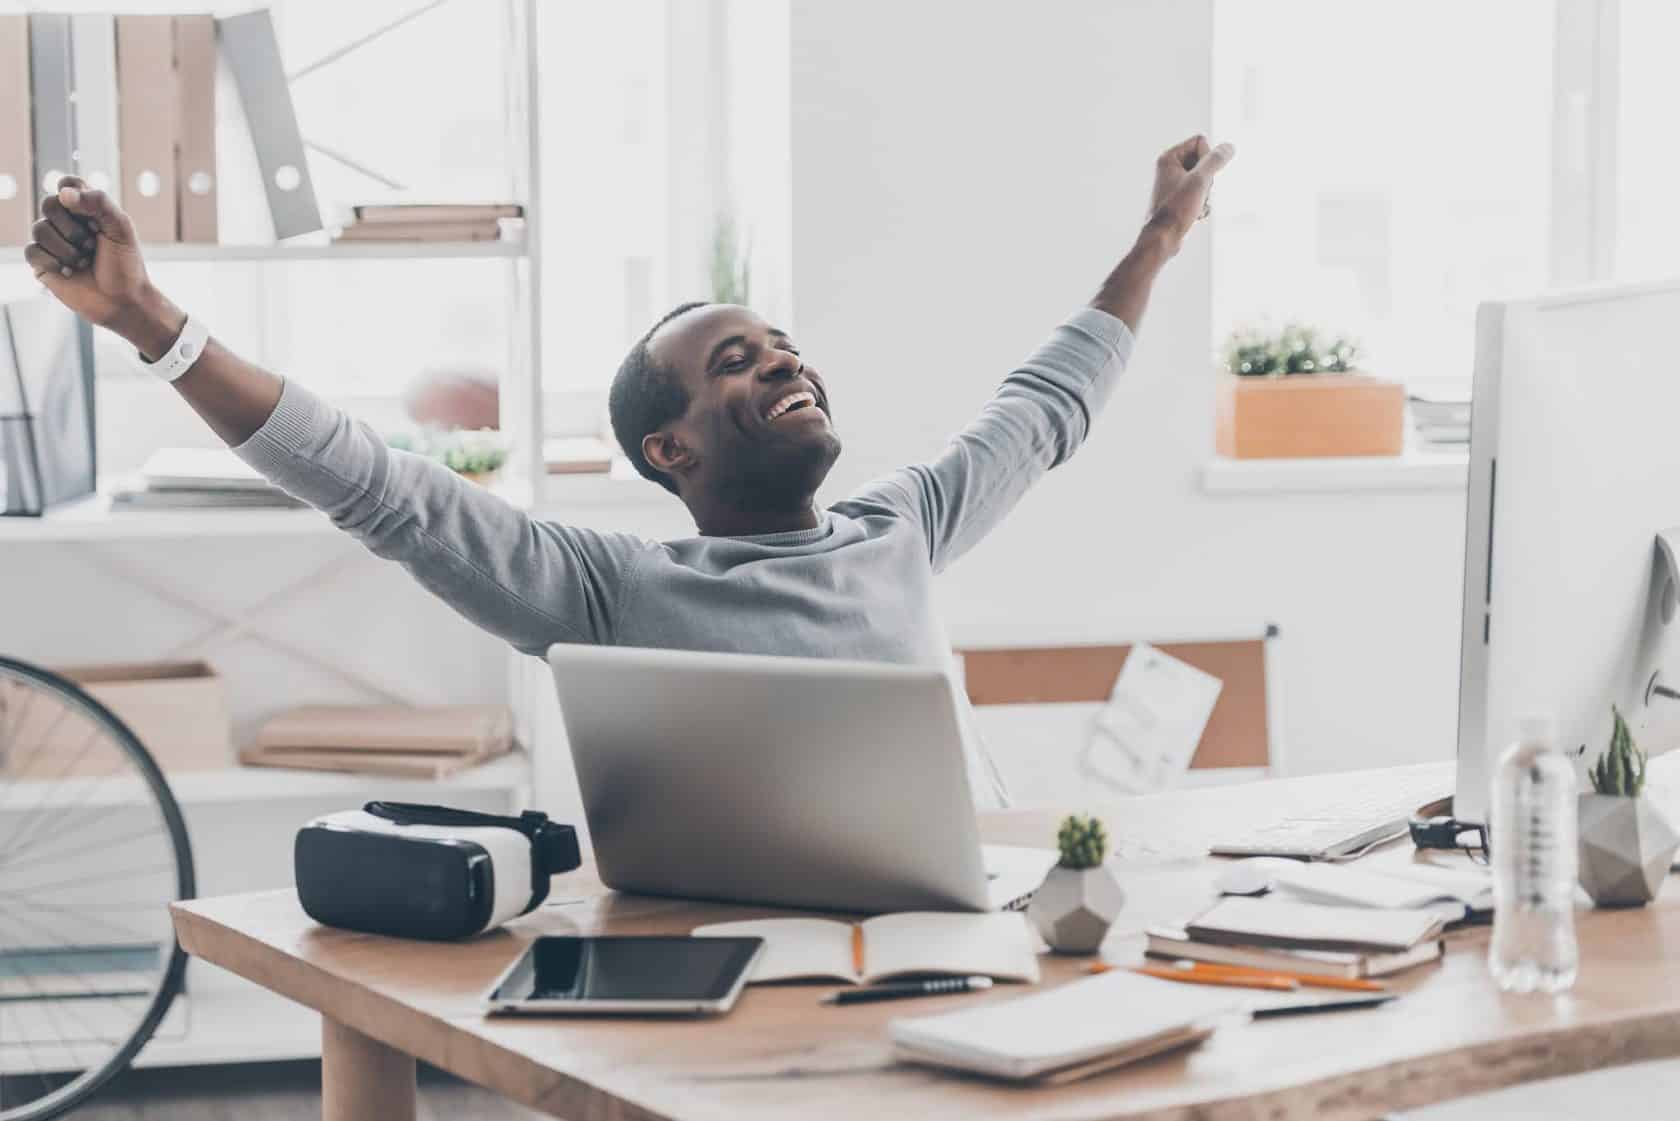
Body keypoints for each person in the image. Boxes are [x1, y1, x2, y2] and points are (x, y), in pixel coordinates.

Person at [23, 136, 1233, 806]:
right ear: (672, 448)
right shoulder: (608, 589)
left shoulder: (902, 525)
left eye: (787, 348)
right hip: (724, 953)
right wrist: (148, 321)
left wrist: (1159, 239)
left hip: (953, 931)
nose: (785, 363)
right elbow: (375, 484)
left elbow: (1047, 403)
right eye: (740, 362)